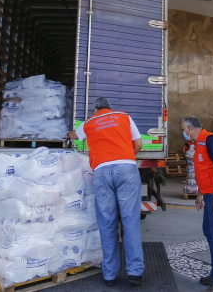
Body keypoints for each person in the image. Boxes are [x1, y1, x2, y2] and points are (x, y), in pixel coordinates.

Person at [67, 98, 144, 287]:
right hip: (126, 168)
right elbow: (139, 144)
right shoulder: (124, 116)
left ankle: (109, 275)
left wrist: (68, 134)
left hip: (101, 171)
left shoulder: (90, 122)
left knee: (107, 223)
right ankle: (134, 273)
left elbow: (74, 136)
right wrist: (125, 157)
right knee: (130, 221)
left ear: (95, 110)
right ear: (109, 108)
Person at [181, 116, 213, 292]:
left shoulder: (210, 140)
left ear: (189, 128)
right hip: (209, 194)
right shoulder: (199, 144)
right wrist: (200, 194)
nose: (184, 133)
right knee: (210, 233)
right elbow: (205, 171)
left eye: (184, 129)